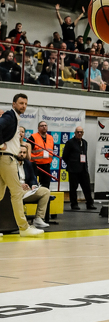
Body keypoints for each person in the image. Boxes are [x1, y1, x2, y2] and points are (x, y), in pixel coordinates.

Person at [0, 93, 44, 236]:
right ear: (14, 104)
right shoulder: (10, 116)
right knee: (17, 193)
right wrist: (0, 144)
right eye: (21, 103)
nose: (23, 106)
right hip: (7, 159)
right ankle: (24, 228)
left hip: (3, 159)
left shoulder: (14, 118)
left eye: (25, 103)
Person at [62, 126, 96, 211]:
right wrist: (71, 164)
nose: (79, 133)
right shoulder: (70, 142)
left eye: (81, 132)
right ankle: (74, 204)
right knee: (73, 188)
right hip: (73, 169)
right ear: (75, 133)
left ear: (83, 133)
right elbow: (65, 156)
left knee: (87, 187)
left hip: (83, 169)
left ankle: (89, 203)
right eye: (78, 132)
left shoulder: (85, 142)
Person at [17, 144, 51, 229]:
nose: (22, 154)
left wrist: (33, 185)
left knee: (45, 191)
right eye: (20, 152)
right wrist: (20, 185)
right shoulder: (10, 164)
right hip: (16, 190)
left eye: (24, 153)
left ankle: (38, 218)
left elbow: (32, 178)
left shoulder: (28, 164)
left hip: (27, 190)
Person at [28, 120, 57, 189]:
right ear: (38, 128)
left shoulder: (51, 138)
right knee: (34, 185)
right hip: (36, 166)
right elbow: (27, 150)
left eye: (45, 125)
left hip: (47, 166)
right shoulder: (33, 137)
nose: (44, 127)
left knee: (46, 185)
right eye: (42, 126)